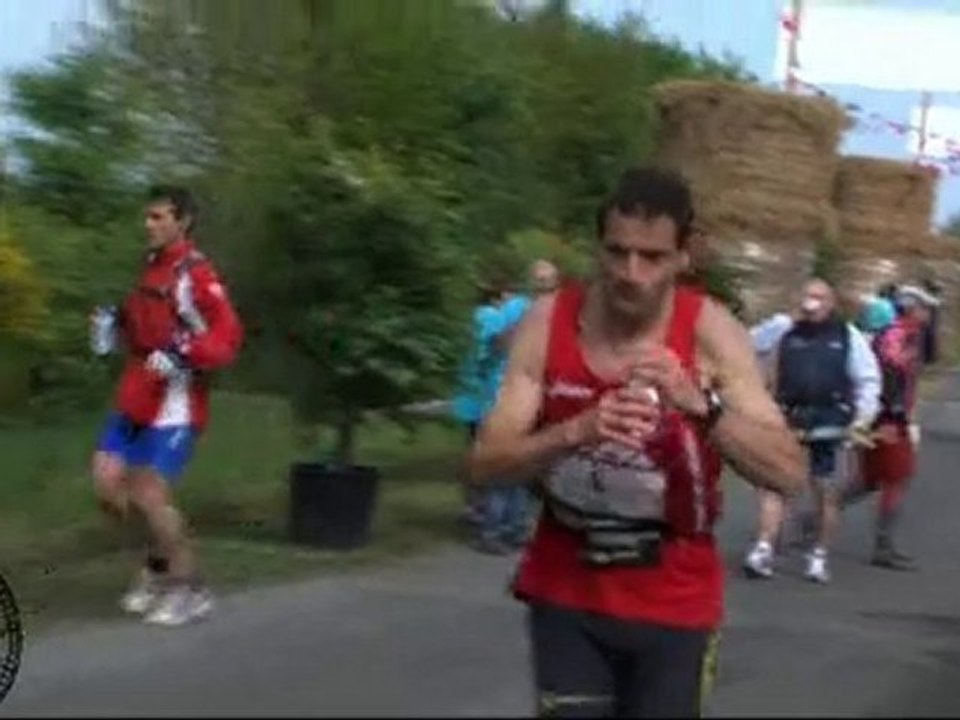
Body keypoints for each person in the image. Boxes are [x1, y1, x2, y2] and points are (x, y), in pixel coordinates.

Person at [468, 167, 805, 718]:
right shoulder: (549, 322)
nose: (631, 272)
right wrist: (575, 431)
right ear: (598, 248)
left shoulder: (712, 334)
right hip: (567, 591)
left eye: (652, 257)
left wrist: (702, 406)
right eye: (616, 252)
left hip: (674, 600)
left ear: (683, 256)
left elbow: (788, 472)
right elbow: (484, 464)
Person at [90, 185, 244, 627]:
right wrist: (115, 324)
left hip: (176, 402)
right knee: (106, 485)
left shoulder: (197, 273)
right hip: (136, 393)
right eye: (148, 217)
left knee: (148, 493)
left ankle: (189, 587)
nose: (149, 225)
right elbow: (144, 329)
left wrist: (184, 353)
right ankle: (156, 568)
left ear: (184, 222)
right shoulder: (151, 266)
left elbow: (227, 337)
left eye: (159, 217)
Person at [742, 279, 880, 584]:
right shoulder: (785, 330)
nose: (811, 303)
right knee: (775, 485)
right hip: (789, 420)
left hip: (830, 423)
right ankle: (763, 548)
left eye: (818, 298)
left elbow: (868, 379)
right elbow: (747, 344)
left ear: (830, 303)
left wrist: (861, 419)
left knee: (825, 493)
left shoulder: (847, 336)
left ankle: (818, 556)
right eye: (807, 296)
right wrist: (783, 321)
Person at [844, 284, 939, 570]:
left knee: (870, 480)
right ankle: (882, 546)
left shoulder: (908, 334)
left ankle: (811, 521)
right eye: (924, 308)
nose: (928, 314)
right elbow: (888, 379)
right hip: (887, 419)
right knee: (896, 477)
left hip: (885, 416)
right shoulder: (897, 337)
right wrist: (891, 417)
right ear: (911, 308)